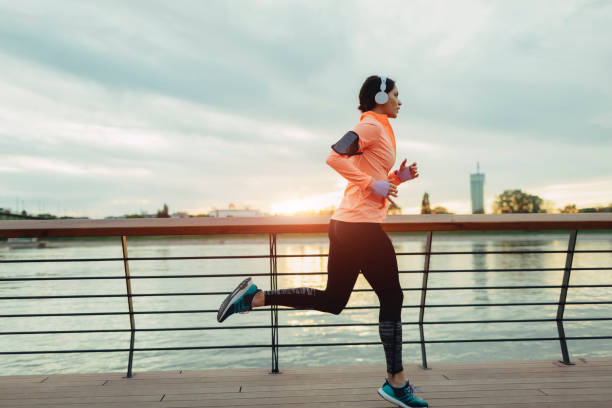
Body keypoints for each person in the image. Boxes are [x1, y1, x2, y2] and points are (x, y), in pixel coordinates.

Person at [217, 75, 428, 408]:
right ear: (380, 96)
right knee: (392, 296)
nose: (401, 101)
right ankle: (396, 382)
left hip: (347, 224)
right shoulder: (371, 126)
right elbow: (333, 156)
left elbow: (367, 176)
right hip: (360, 227)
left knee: (333, 300)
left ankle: (254, 298)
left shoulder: (382, 128)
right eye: (397, 95)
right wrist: (374, 186)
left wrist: (394, 178)